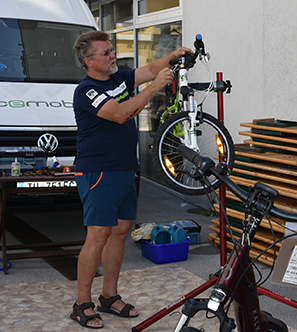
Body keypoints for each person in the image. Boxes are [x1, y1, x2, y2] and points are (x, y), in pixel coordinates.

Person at [71, 30, 192, 329]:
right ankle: (81, 303)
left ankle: (109, 296)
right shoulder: (86, 90)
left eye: (112, 50)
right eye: (106, 53)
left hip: (125, 168)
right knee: (97, 235)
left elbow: (151, 69)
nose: (112, 56)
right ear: (89, 61)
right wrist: (154, 87)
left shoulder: (118, 79)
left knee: (120, 232)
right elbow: (122, 113)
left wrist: (173, 57)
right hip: (98, 171)